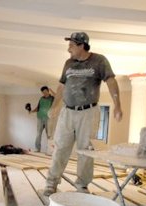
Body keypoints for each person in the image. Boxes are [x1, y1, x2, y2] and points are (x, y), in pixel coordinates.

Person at [43, 32, 123, 196]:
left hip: (88, 112)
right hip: (67, 112)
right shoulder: (69, 63)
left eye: (71, 45)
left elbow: (111, 81)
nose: (68, 49)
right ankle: (51, 183)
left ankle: (82, 185)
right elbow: (61, 87)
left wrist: (117, 106)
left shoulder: (99, 61)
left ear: (81, 45)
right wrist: (55, 106)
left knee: (86, 150)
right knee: (60, 148)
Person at [30, 86, 55, 152]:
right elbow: (38, 108)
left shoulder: (52, 98)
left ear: (48, 91)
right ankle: (37, 149)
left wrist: (51, 90)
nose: (44, 93)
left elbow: (58, 96)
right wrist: (32, 111)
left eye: (45, 92)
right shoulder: (41, 98)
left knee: (49, 134)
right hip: (40, 118)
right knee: (38, 134)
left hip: (48, 118)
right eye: (43, 92)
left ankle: (50, 150)